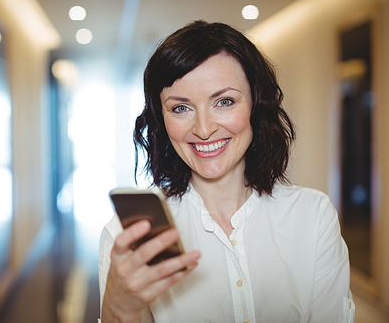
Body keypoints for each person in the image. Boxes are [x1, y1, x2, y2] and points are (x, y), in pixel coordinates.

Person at [98, 20, 355, 323]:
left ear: (256, 106)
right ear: (161, 119)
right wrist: (119, 309)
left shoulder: (312, 216)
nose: (204, 129)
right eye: (181, 107)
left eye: (224, 102)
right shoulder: (126, 239)